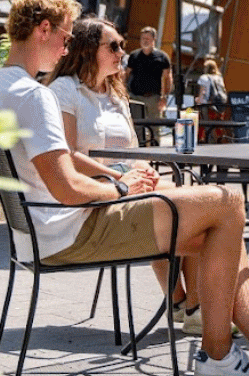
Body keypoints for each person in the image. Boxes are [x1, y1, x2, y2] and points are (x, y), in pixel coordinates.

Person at [0, 0, 249, 376]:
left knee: (221, 227)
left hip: (47, 230)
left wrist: (121, 184)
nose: (67, 48)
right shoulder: (35, 95)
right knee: (225, 202)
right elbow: (67, 187)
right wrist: (122, 189)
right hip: (71, 230)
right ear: (44, 29)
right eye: (67, 37)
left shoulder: (1, 87)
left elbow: (59, 178)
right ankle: (221, 355)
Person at [46, 17, 203, 335]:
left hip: (125, 183)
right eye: (114, 46)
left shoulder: (116, 93)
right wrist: (119, 179)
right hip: (95, 193)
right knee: (193, 208)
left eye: (123, 45)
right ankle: (192, 306)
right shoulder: (64, 90)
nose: (122, 52)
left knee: (196, 196)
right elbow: (69, 155)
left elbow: (132, 149)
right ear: (88, 50)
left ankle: (187, 305)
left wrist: (142, 169)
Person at [124, 27, 172, 119]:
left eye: (147, 39)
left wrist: (165, 97)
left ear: (153, 40)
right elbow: (126, 74)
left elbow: (167, 78)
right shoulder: (134, 55)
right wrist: (124, 92)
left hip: (153, 98)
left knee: (154, 128)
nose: (145, 41)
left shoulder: (162, 57)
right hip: (135, 97)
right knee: (135, 126)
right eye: (143, 38)